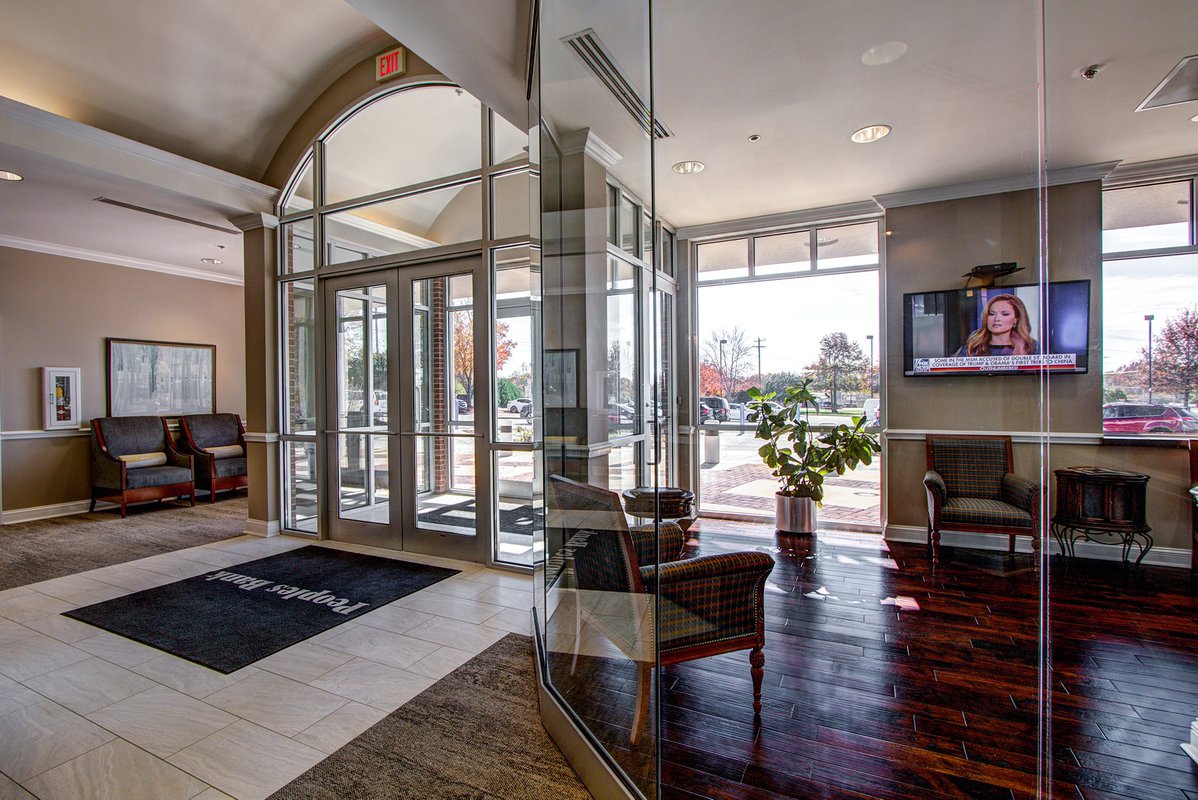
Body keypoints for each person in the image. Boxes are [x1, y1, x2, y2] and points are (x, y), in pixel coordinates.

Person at [954, 293, 1039, 356]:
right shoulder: (973, 345)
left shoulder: (1030, 346)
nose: (997, 319)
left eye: (1005, 314)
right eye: (992, 314)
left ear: (1016, 319)